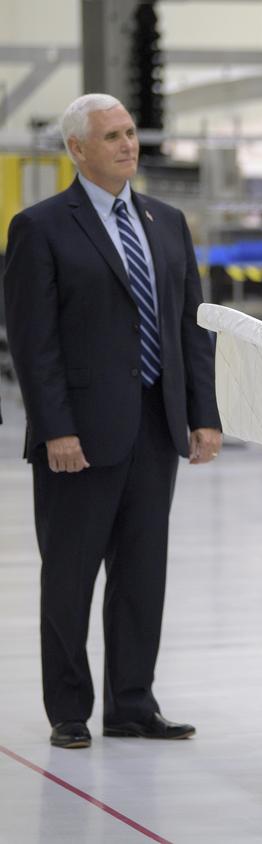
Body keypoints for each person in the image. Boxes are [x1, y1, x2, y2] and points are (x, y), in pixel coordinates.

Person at [3, 93, 222, 750]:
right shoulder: (41, 227)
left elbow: (191, 327)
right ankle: (69, 709)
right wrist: (55, 430)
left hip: (155, 429)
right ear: (77, 149)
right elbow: (32, 343)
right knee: (70, 575)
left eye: (130, 133)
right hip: (80, 436)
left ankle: (132, 703)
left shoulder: (166, 220)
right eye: (111, 136)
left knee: (141, 574)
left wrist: (202, 416)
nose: (128, 145)